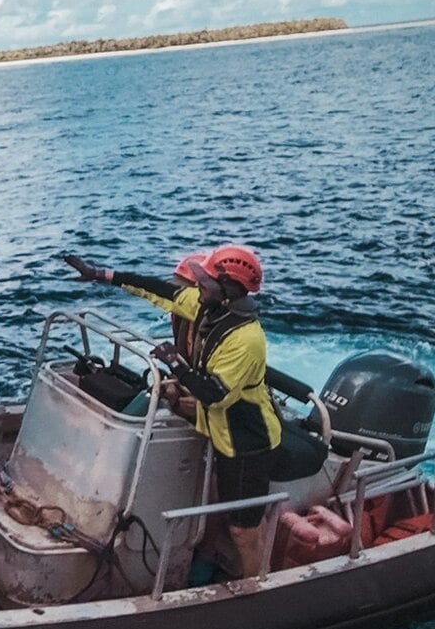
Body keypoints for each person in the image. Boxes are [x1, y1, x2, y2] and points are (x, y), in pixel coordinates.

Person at [64, 244, 281, 578]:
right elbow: (159, 291)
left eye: (204, 281)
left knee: (243, 528)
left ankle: (257, 586)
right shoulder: (210, 308)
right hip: (219, 430)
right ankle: (219, 559)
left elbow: (215, 396)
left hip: (245, 441)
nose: (197, 286)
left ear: (228, 288)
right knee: (224, 501)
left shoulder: (246, 339)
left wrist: (175, 363)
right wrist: (101, 275)